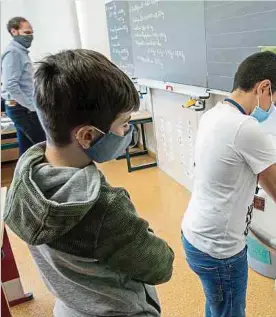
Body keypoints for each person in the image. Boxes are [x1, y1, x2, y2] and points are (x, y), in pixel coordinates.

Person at [4, 49, 174, 317]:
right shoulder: (105, 209)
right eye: (123, 123)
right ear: (86, 136)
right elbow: (161, 265)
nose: (126, 132)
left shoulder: (25, 179)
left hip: (70, 307)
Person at [181, 51, 276, 317]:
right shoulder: (244, 127)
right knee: (228, 311)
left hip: (195, 237)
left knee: (218, 306)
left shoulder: (215, 114)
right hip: (220, 251)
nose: (272, 109)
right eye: (275, 101)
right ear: (263, 87)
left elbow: (261, 172)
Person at [1, 17, 46, 155]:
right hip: (22, 109)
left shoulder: (20, 52)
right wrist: (30, 105)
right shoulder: (13, 53)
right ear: (14, 31)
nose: (30, 36)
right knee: (46, 146)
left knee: (27, 149)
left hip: (22, 108)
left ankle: (22, 176)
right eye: (26, 32)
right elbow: (10, 84)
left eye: (31, 32)